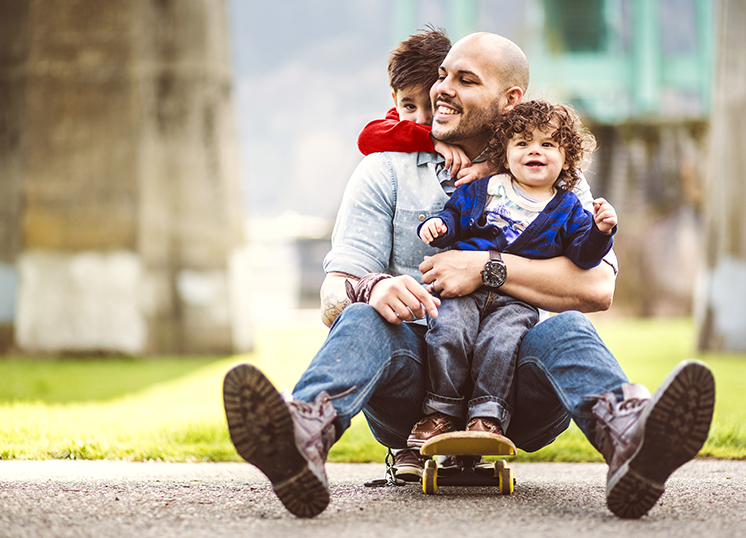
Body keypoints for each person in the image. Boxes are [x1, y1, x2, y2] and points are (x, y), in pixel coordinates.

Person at [222, 32, 715, 520]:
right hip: (413, 391)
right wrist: (374, 288)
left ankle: (632, 443)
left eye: (464, 79)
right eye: (442, 76)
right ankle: (300, 437)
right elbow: (333, 293)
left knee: (569, 328)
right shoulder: (384, 172)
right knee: (361, 318)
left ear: (509, 100)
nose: (442, 89)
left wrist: (486, 268)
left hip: (518, 386)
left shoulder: (555, 178)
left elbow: (597, 288)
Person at [406, 99, 617, 451]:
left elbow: (583, 256)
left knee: (501, 343)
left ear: (567, 158)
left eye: (548, 144)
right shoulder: (485, 188)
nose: (535, 151)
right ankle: (440, 411)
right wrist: (439, 226)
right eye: (522, 143)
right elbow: (455, 217)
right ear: (505, 154)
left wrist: (599, 231)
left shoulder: (567, 208)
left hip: (517, 299)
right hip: (462, 291)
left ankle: (487, 417)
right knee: (448, 332)